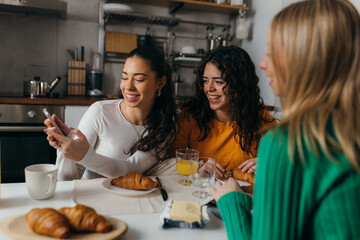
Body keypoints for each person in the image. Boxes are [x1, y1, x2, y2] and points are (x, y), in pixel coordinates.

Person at [210, 0, 360, 239]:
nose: (263, 63)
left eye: (271, 52)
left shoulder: (287, 144)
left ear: (305, 61)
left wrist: (232, 203)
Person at [44, 47, 177, 180]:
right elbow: (68, 179)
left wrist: (85, 155)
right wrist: (65, 146)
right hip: (93, 196)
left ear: (160, 83)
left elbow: (130, 169)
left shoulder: (165, 124)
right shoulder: (100, 112)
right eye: (124, 77)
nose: (128, 86)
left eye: (139, 79)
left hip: (132, 198)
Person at [172, 46, 277, 177]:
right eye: (205, 81)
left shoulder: (262, 120)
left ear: (239, 84)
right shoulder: (190, 116)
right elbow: (172, 161)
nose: (209, 88)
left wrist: (268, 163)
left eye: (218, 82)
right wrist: (198, 168)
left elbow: (287, 161)